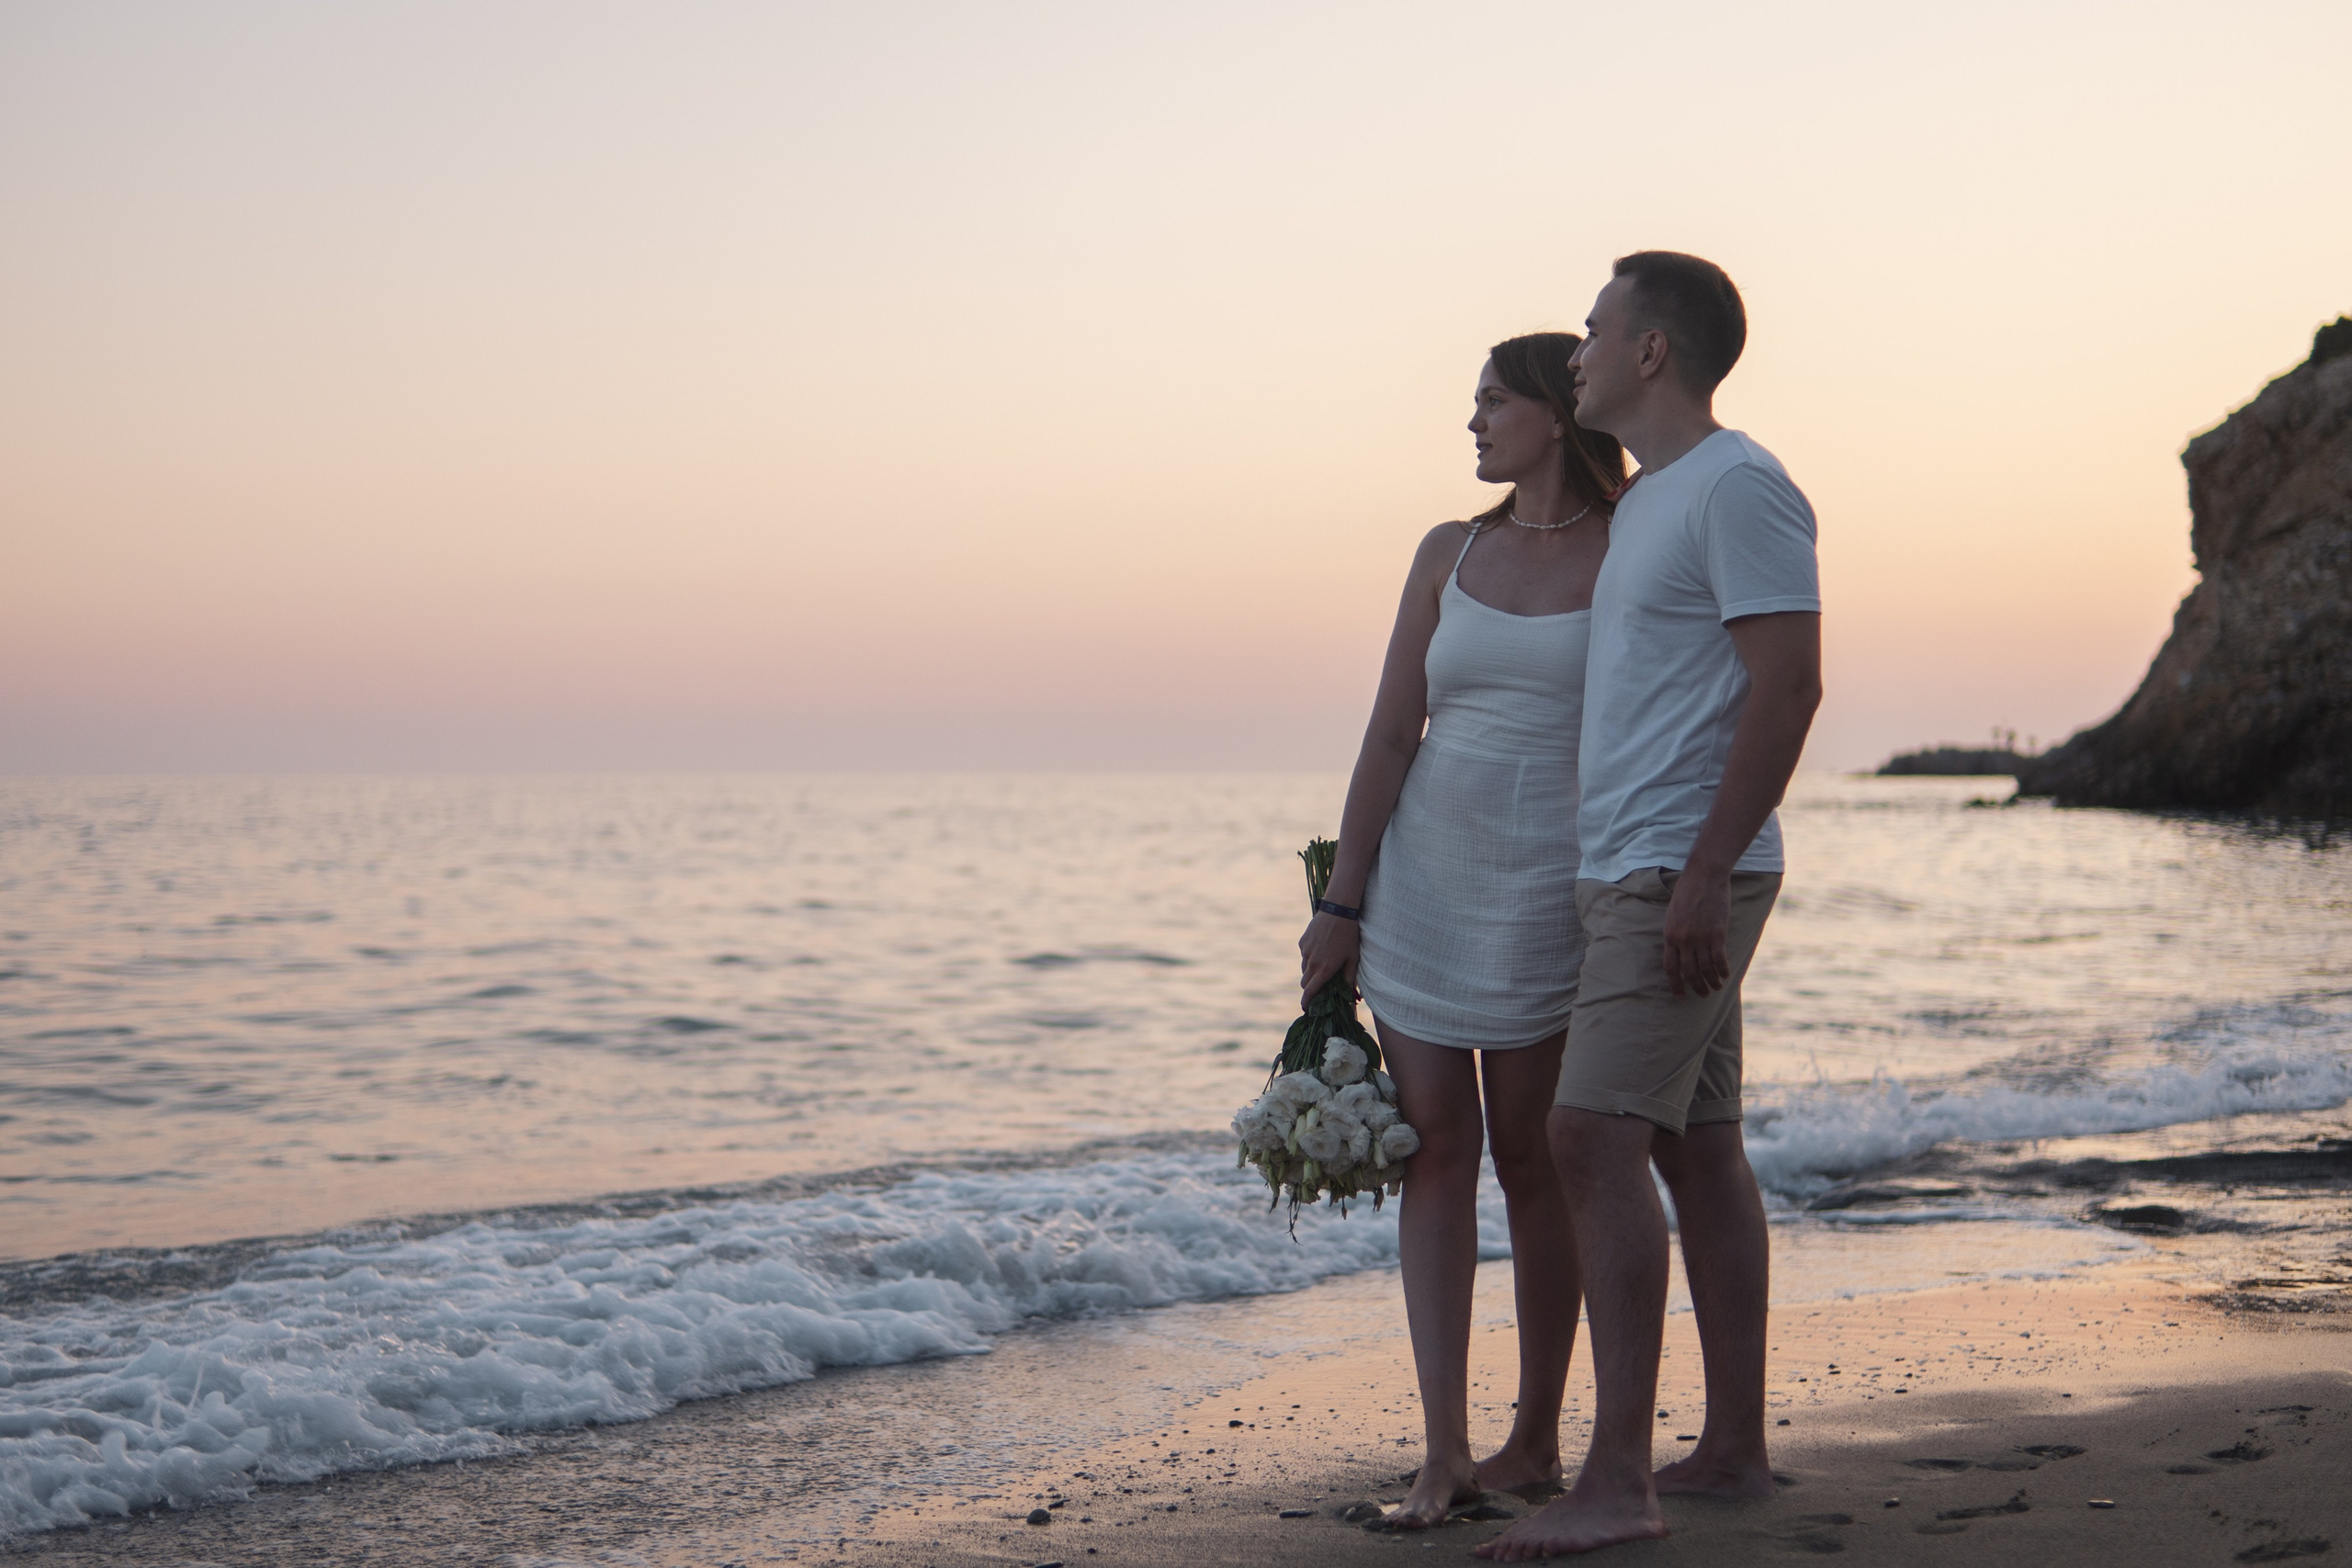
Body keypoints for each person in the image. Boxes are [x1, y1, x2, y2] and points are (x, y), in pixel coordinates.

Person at [1480, 253, 1822, 1560]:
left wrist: (1696, 872)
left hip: (1681, 870)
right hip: (1647, 867)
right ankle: (1731, 1447)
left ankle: (1617, 1479)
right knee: (1696, 1144)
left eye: (1591, 327)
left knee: (1587, 1138)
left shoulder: (1739, 487)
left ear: (1651, 353)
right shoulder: (1663, 503)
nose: (1573, 350)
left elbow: (1788, 687)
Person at [1299, 332, 1624, 1529]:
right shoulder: (1451, 550)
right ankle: (1440, 1452)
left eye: (1492, 400)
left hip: (1554, 888)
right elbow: (1392, 734)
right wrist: (1344, 902)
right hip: (1428, 882)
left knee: (1532, 1158)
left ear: (1552, 410)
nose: (1474, 421)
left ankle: (1534, 1437)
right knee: (1436, 1155)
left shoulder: (1632, 542)